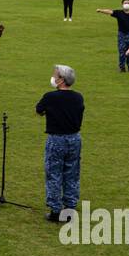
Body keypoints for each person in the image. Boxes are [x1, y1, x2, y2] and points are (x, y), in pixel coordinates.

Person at [36, 64, 84, 223]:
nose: (53, 78)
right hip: (74, 138)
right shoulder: (78, 97)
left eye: (55, 75)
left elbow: (39, 110)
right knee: (72, 173)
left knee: (54, 173)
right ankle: (69, 208)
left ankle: (55, 210)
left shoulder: (50, 97)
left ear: (61, 80)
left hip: (56, 139)